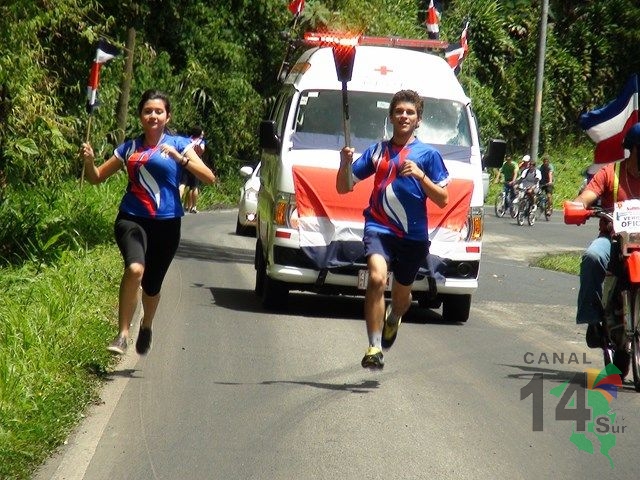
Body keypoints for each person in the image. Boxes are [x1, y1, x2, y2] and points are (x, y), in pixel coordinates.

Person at [81, 89, 216, 355]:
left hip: (166, 225)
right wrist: (89, 162)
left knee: (152, 286)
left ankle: (147, 325)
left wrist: (181, 160)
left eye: (158, 111)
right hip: (131, 219)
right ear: (140, 115)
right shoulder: (129, 148)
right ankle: (122, 334)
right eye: (147, 111)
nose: (153, 116)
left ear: (167, 116)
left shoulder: (179, 144)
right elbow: (96, 177)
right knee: (134, 270)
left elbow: (209, 177)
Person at [336, 89, 449, 369]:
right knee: (376, 279)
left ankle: (394, 317)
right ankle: (374, 347)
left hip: (413, 237)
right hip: (378, 227)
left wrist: (421, 176)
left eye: (410, 112)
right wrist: (344, 163)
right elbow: (343, 186)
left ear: (418, 120)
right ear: (391, 117)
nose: (404, 116)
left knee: (400, 299)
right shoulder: (377, 151)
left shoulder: (428, 155)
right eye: (399, 111)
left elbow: (443, 198)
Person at [572, 122, 640, 348]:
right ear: (632, 149)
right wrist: (580, 206)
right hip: (613, 240)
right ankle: (593, 320)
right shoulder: (611, 172)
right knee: (592, 257)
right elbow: (588, 196)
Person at [179, 126, 206, 213]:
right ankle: (193, 207)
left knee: (182, 184)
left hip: (185, 163)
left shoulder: (187, 140)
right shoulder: (201, 142)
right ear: (199, 134)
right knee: (194, 186)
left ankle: (178, 203)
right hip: (195, 165)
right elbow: (201, 151)